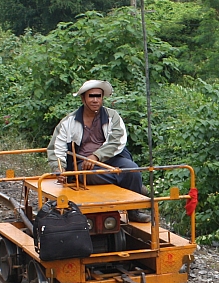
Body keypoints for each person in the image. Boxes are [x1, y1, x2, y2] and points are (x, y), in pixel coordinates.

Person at [46, 80, 151, 222]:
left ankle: (134, 212)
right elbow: (56, 147)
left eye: (98, 96)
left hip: (111, 159)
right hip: (83, 164)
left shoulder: (112, 116)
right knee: (91, 175)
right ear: (83, 98)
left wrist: (97, 156)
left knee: (133, 170)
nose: (95, 100)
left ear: (102, 98)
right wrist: (60, 169)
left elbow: (117, 140)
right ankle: (130, 186)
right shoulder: (69, 121)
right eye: (91, 96)